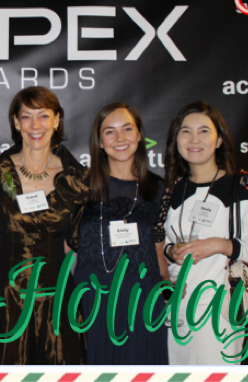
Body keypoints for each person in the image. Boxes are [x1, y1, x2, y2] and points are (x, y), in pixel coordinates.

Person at [0, 86, 89, 365]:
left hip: (55, 300)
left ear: (56, 120)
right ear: (16, 122)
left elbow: (78, 240)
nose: (35, 125)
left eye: (43, 116)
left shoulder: (77, 178)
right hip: (2, 296)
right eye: (26, 116)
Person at [162, 101, 248, 365]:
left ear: (219, 140)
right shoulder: (175, 189)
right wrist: (171, 252)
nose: (194, 139)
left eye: (204, 131)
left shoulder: (242, 186)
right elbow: (166, 245)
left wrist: (219, 245)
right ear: (176, 140)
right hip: (178, 310)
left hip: (220, 312)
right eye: (186, 131)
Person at [73, 103, 169, 365]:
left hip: (143, 297)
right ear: (99, 142)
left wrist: (167, 289)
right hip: (92, 296)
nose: (120, 138)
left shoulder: (158, 188)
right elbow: (67, 248)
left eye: (127, 129)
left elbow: (158, 247)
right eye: (110, 132)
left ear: (139, 135)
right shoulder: (81, 187)